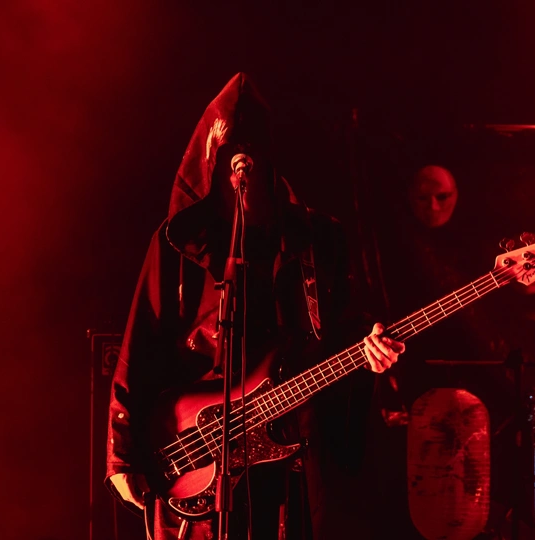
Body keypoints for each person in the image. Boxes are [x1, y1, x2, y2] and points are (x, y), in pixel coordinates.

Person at [105, 72, 405, 540]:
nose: (240, 172)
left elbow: (346, 330)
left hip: (289, 461)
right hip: (195, 462)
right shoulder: (176, 243)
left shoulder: (317, 238)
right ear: (210, 164)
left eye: (252, 158)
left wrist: (370, 353)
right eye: (229, 158)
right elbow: (138, 345)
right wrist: (121, 456)